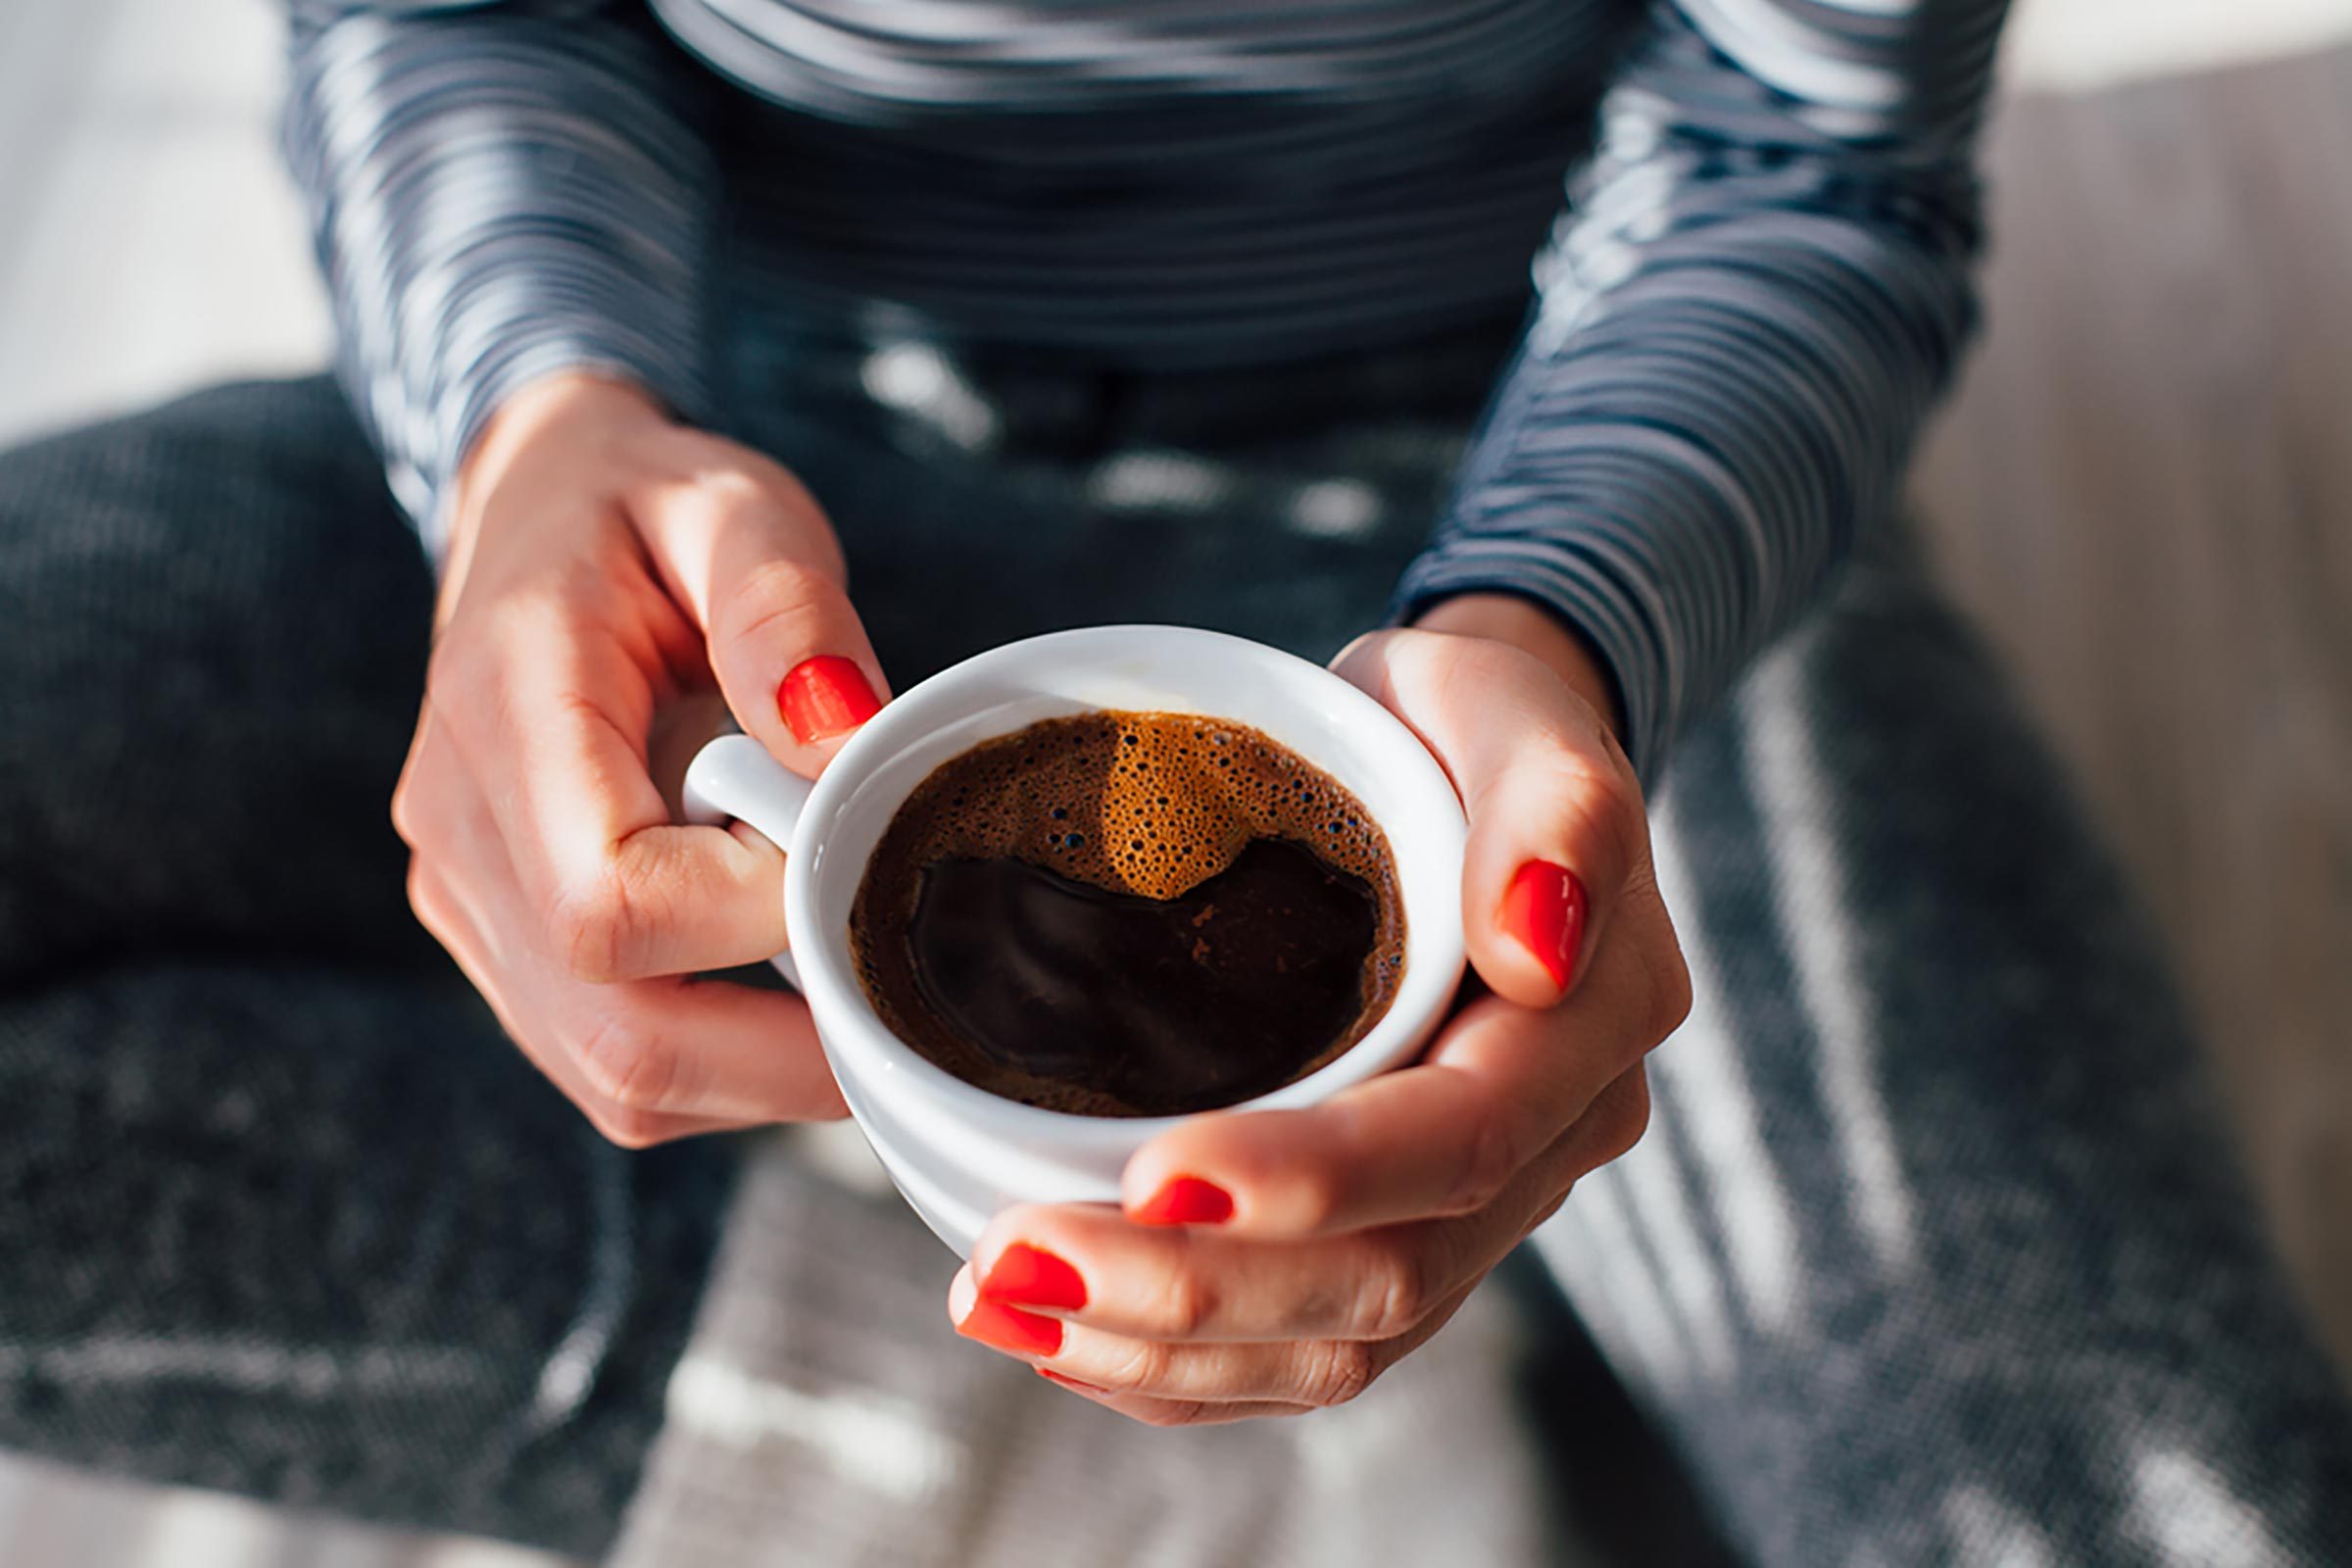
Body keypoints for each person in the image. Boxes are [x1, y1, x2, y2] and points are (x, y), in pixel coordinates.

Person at [3, 0, 2348, 1562]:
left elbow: (1804, 144)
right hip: (736, 475)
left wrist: (1573, 616)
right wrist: (532, 421)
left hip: (1549, 500)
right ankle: (1007, 1431)